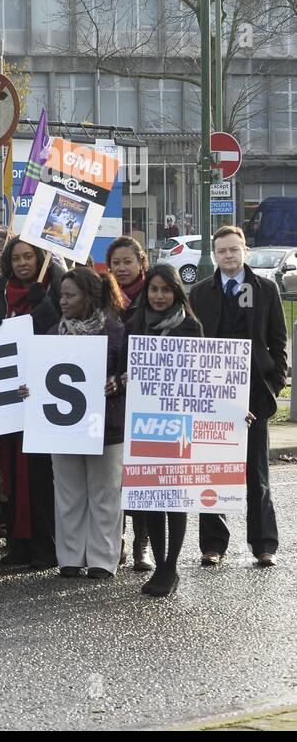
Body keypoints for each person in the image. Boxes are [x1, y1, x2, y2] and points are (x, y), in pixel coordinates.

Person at [188, 225, 285, 568]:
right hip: (213, 397)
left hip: (255, 394)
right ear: (215, 255)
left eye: (234, 250)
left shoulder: (266, 289)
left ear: (245, 251)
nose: (228, 256)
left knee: (256, 474)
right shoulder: (199, 293)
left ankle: (264, 545)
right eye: (222, 251)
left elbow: (278, 342)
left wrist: (272, 388)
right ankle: (212, 545)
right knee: (212, 471)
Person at [22, 266, 126, 580]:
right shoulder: (52, 333)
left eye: (70, 295)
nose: (63, 301)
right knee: (67, 493)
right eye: (61, 295)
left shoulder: (116, 332)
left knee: (105, 493)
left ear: (89, 298)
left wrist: (118, 384)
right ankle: (69, 557)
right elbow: (39, 377)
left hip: (107, 428)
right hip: (63, 429)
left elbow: (129, 377)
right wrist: (28, 388)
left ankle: (103, 559)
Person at [123, 263, 204, 597]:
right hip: (143, 423)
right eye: (153, 289)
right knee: (150, 498)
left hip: (179, 424)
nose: (158, 296)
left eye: (165, 290)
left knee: (176, 498)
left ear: (176, 293)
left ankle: (171, 567)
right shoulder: (134, 324)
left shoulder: (191, 327)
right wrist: (126, 378)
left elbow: (203, 377)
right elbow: (120, 369)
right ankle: (160, 564)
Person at [0, 237, 63, 568]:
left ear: (39, 257)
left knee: (40, 478)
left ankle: (45, 548)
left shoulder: (56, 288)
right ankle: (18, 545)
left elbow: (57, 333)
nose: (22, 263)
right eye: (16, 258)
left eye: (28, 256)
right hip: (9, 400)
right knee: (13, 475)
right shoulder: (1, 292)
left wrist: (43, 305)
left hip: (45, 399)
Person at [105, 235, 152, 568]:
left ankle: (142, 545)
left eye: (127, 262)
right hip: (112, 399)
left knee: (144, 478)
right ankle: (116, 541)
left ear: (141, 263)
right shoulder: (105, 298)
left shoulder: (155, 294)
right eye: (116, 263)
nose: (122, 268)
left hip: (147, 397)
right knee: (115, 479)